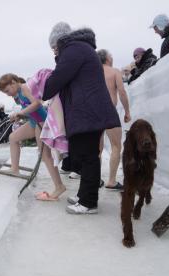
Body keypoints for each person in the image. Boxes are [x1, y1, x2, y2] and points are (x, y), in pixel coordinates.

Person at [43, 22, 120, 214]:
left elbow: (56, 81)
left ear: (60, 41)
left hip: (88, 111)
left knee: (88, 157)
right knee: (85, 155)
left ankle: (88, 202)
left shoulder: (73, 50)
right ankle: (84, 194)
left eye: (54, 47)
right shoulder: (79, 48)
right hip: (88, 111)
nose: (54, 52)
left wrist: (45, 85)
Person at [0, 73, 66, 201]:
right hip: (34, 123)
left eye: (7, 91)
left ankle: (59, 186)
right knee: (13, 138)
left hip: (42, 124)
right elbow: (31, 110)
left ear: (13, 82)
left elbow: (37, 104)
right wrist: (20, 116)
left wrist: (21, 112)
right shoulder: (20, 92)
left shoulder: (25, 87)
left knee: (46, 156)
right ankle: (15, 169)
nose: (7, 94)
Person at [97, 49, 131, 190]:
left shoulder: (93, 71)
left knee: (96, 149)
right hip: (109, 111)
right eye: (111, 55)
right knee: (116, 146)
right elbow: (122, 92)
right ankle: (111, 181)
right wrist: (127, 111)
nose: (112, 57)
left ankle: (96, 179)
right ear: (107, 59)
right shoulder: (114, 71)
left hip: (94, 112)